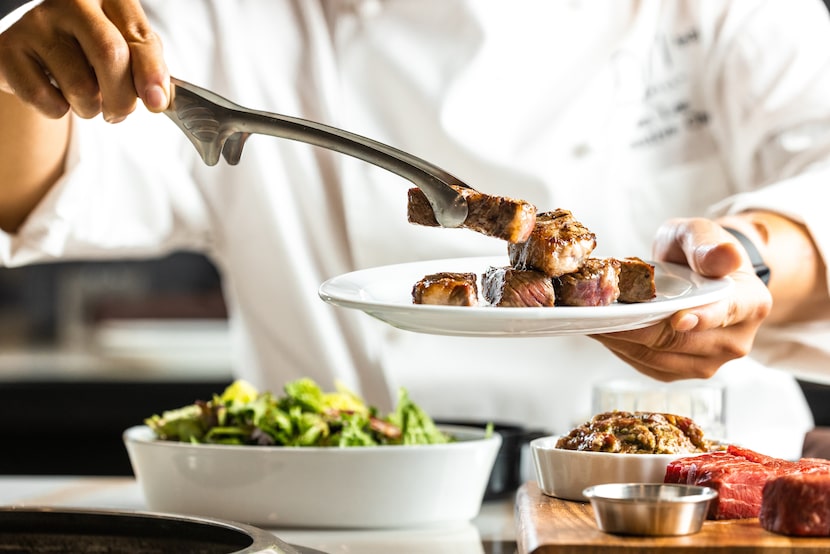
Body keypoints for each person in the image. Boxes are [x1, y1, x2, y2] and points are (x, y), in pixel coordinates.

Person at [1, 0, 829, 460]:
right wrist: (26, 70)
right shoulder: (233, 24)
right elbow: (34, 188)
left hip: (693, 497)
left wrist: (745, 261)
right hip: (353, 513)